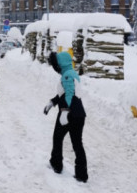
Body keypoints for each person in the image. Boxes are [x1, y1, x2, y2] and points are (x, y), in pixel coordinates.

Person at [43, 51, 88, 183]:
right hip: (79, 114)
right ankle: (81, 174)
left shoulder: (67, 76)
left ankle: (56, 164)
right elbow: (62, 94)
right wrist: (52, 102)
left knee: (57, 137)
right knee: (77, 144)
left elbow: (69, 94)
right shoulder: (72, 74)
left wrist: (64, 112)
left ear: (61, 64)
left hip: (69, 113)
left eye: (56, 63)